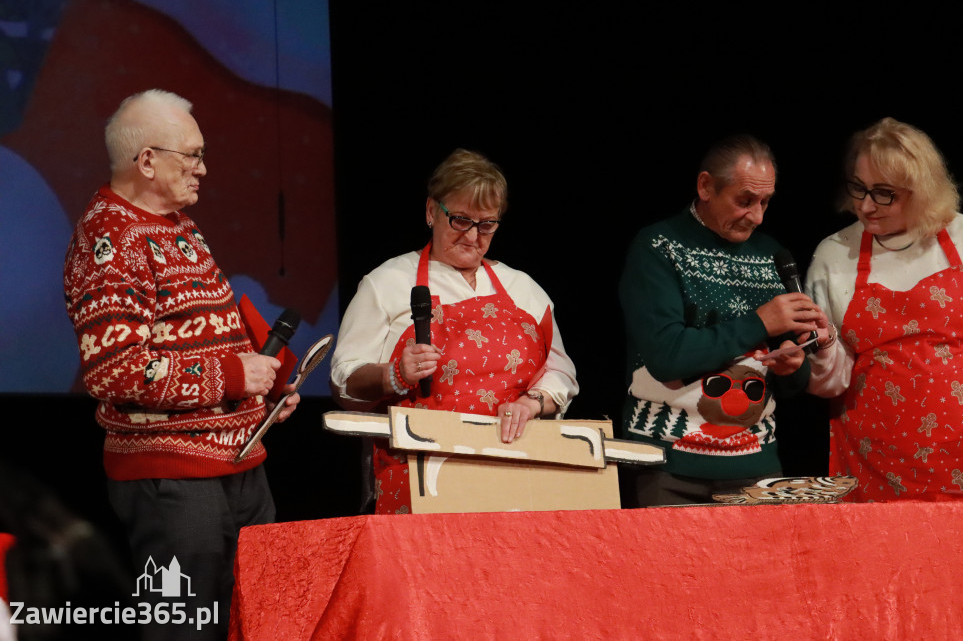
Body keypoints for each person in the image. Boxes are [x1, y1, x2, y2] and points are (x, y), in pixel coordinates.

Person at [62, 89, 299, 639]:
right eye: (191, 155)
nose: (203, 168)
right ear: (147, 160)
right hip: (172, 479)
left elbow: (202, 336)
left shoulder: (180, 225)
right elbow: (115, 370)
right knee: (184, 632)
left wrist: (259, 392)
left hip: (238, 462)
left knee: (256, 621)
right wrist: (237, 376)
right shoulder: (110, 240)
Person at [330, 148, 579, 514]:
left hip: (515, 477)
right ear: (432, 212)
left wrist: (533, 402)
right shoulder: (387, 283)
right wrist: (393, 375)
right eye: (461, 220)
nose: (473, 236)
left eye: (487, 224)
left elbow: (561, 371)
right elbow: (343, 380)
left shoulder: (523, 288)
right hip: (421, 479)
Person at [806, 117, 963, 501]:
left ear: (921, 191)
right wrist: (823, 349)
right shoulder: (834, 254)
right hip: (871, 463)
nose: (866, 205)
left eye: (884, 193)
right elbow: (829, 383)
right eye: (858, 188)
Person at [619, 134, 829, 507]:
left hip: (756, 466)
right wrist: (761, 323)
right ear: (705, 186)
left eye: (765, 202)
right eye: (744, 201)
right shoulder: (660, 247)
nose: (757, 215)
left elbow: (793, 382)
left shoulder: (771, 255)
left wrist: (792, 363)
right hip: (669, 466)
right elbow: (668, 356)